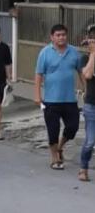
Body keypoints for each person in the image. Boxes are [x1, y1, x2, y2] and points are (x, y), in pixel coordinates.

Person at [35, 24, 82, 170]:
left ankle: (60, 147)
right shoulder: (45, 52)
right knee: (53, 130)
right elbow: (38, 75)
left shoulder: (74, 52)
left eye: (63, 35)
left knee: (73, 127)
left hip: (70, 99)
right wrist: (37, 95)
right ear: (52, 37)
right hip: (50, 100)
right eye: (58, 35)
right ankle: (55, 159)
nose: (61, 37)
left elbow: (81, 72)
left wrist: (86, 90)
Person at [79, 25, 95, 181]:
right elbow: (88, 74)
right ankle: (83, 168)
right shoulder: (85, 58)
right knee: (90, 141)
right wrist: (93, 53)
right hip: (92, 105)